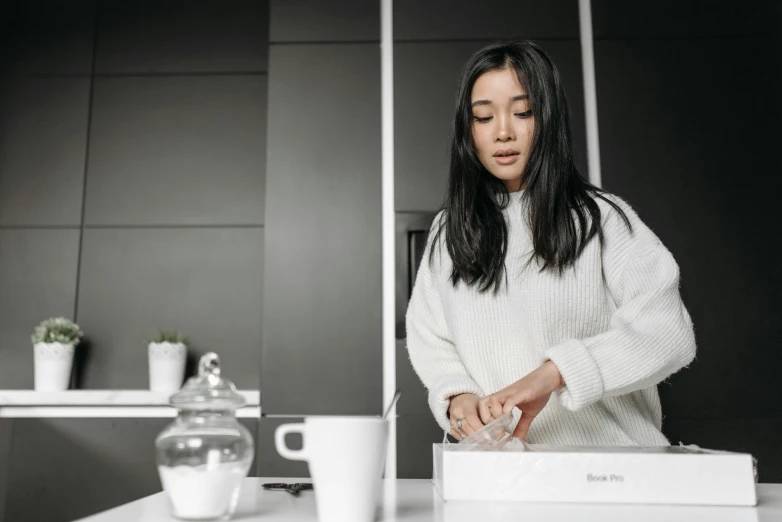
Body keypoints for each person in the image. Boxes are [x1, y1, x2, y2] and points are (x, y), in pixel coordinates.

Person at [405, 41, 697, 446]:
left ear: (549, 119)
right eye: (484, 116)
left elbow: (668, 332)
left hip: (612, 476)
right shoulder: (450, 230)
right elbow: (430, 337)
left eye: (522, 112)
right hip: (502, 480)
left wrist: (556, 373)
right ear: (467, 129)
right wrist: (458, 396)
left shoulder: (602, 219)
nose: (503, 131)